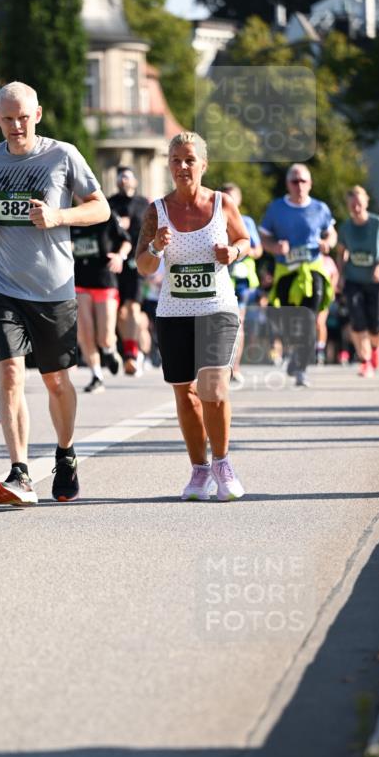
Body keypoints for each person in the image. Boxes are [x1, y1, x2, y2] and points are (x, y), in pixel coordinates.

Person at [0, 81, 110, 506]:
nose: (16, 126)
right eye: (8, 119)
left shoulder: (62, 155)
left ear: (38, 114)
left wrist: (59, 215)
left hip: (53, 288)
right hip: (2, 285)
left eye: (24, 117)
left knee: (56, 380)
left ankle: (65, 454)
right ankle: (19, 473)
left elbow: (100, 207)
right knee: (11, 373)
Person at [136, 131, 250, 501]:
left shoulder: (222, 203)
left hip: (217, 307)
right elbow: (142, 265)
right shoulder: (157, 210)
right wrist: (156, 246)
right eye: (175, 160)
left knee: (214, 387)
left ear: (204, 164)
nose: (182, 167)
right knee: (186, 395)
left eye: (189, 160)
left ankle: (223, 463)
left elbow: (246, 242)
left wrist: (233, 253)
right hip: (174, 311)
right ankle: (199, 471)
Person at [259, 164, 337, 387]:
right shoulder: (276, 208)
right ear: (288, 184)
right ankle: (294, 356)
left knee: (309, 318)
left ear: (310, 183)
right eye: (295, 181)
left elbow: (331, 232)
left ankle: (301, 366)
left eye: (303, 181)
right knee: (290, 320)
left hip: (313, 269)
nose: (299, 185)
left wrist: (327, 243)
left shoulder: (320, 208)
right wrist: (275, 247)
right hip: (286, 271)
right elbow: (264, 237)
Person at [73, 211, 130, 393]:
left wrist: (120, 256)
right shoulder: (70, 215)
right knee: (85, 333)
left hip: (104, 280)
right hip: (80, 281)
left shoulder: (106, 214)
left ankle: (109, 350)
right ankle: (96, 375)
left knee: (104, 336)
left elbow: (126, 241)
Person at [337, 185, 379, 378]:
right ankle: (365, 361)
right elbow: (341, 255)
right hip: (353, 279)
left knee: (376, 325)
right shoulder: (345, 228)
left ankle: (376, 350)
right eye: (352, 205)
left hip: (377, 280)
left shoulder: (378, 223)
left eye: (359, 203)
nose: (356, 208)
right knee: (357, 322)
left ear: (366, 202)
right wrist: (341, 276)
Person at [220, 182, 263, 385]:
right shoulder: (214, 219)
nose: (229, 200)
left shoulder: (246, 221)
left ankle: (234, 367)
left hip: (241, 279)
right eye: (225, 196)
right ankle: (220, 364)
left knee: (237, 322)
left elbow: (257, 250)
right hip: (219, 276)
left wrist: (238, 251)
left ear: (239, 200)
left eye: (232, 196)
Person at [108, 166, 150, 375]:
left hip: (136, 261)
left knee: (132, 309)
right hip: (115, 263)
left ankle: (131, 354)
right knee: (119, 313)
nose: (124, 180)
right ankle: (128, 350)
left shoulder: (144, 203)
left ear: (134, 181)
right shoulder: (110, 203)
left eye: (127, 176)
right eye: (120, 177)